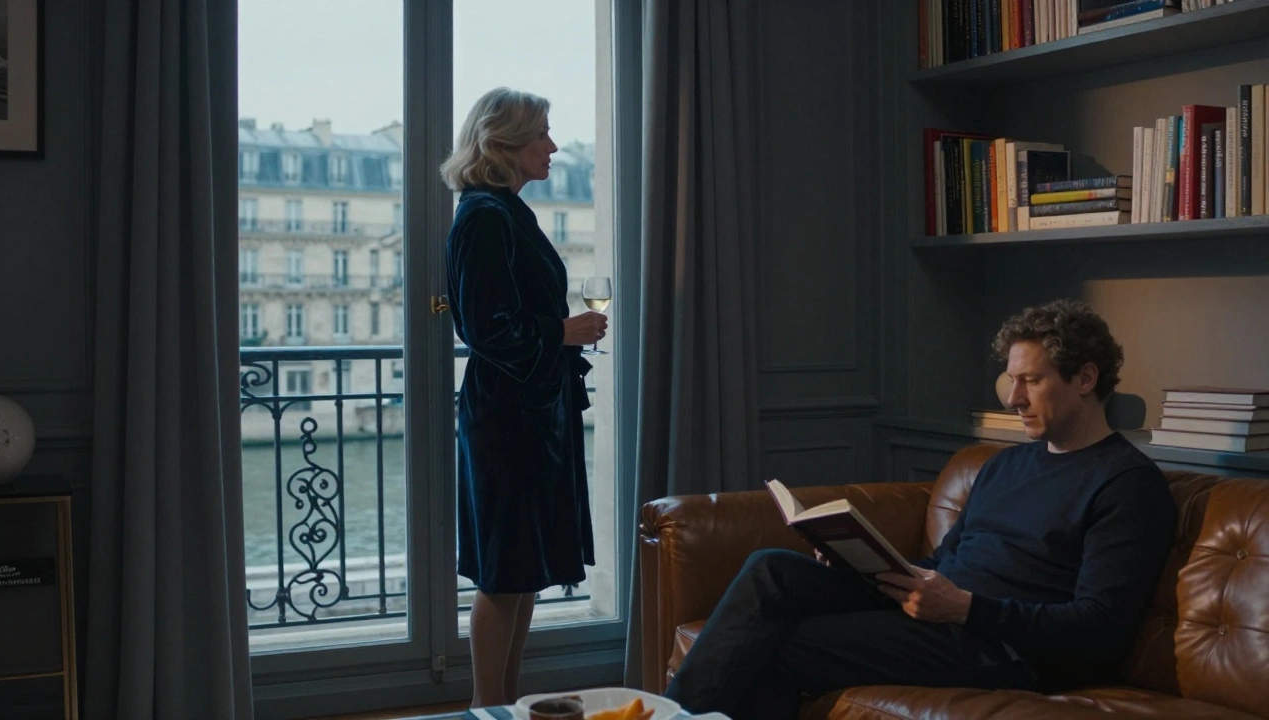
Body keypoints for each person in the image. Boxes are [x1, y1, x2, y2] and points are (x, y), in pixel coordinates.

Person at [663, 298, 1177, 720]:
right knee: (771, 570)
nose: (1014, 398)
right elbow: (946, 563)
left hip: (1002, 648)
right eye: (1011, 380)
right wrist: (867, 562)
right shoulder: (1005, 465)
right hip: (940, 614)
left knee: (774, 646)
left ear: (1086, 379)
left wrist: (967, 608)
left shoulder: (1126, 484)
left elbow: (1098, 629)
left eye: (1032, 381)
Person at [440, 87, 608, 707]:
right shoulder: (485, 214)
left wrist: (562, 335)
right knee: (503, 572)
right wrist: (564, 331)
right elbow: (485, 329)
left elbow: (504, 320)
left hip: (530, 410)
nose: (553, 146)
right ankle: (488, 707)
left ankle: (509, 704)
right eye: (541, 134)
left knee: (522, 572)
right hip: (507, 416)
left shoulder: (503, 210)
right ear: (504, 141)